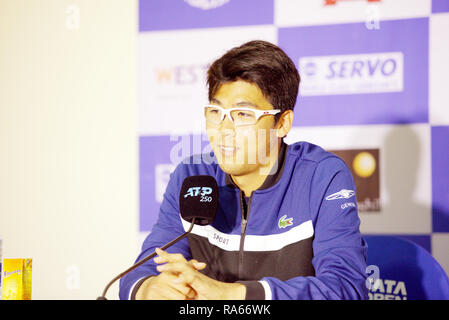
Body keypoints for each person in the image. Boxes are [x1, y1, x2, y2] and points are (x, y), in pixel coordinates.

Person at [119, 40, 368, 300]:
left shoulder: (321, 176)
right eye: (216, 112)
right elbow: (144, 268)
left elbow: (346, 288)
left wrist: (233, 295)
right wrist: (149, 288)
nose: (224, 130)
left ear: (282, 123)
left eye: (242, 115)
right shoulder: (192, 176)